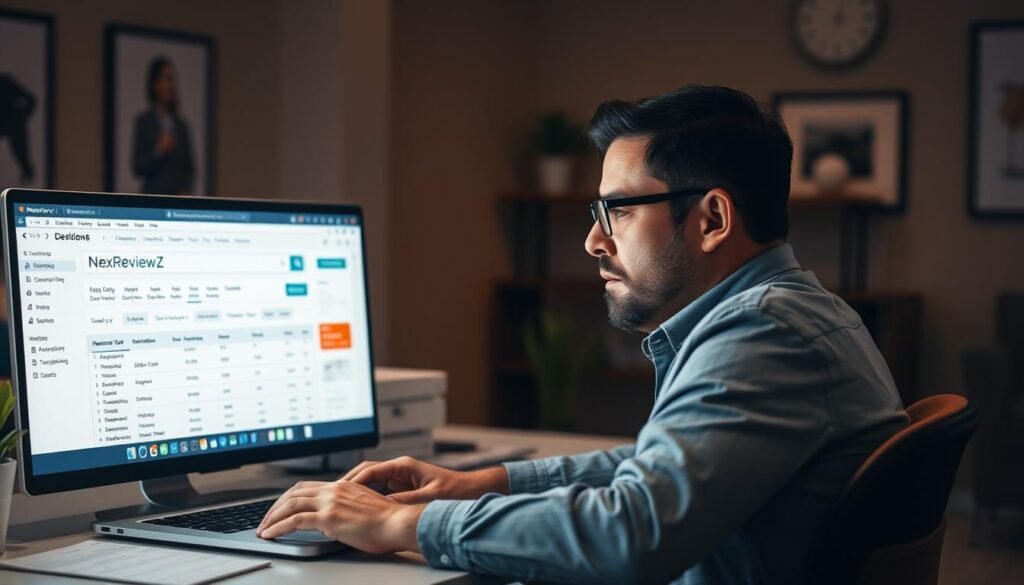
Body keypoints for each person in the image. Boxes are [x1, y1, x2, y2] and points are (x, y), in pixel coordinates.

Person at [257, 85, 908, 584]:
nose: (594, 239)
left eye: (618, 210)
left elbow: (634, 530)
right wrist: (485, 482)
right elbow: (656, 474)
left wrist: (402, 520)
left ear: (711, 217)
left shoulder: (763, 330)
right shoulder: (789, 312)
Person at [131, 56, 195, 195]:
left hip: (178, 203)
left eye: (172, 80)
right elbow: (137, 167)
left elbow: (190, 169)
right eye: (167, 79)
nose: (171, 86)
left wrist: (186, 191)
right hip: (152, 200)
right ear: (155, 84)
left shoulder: (181, 126)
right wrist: (159, 151)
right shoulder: (144, 122)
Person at [0, 73, 37, 184]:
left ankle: (27, 174)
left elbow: (31, 100)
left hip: (13, 123)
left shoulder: (5, 82)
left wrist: (20, 116)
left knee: (21, 153)